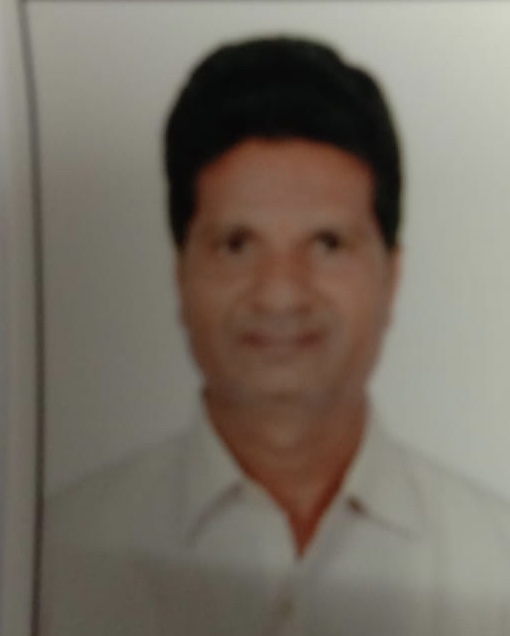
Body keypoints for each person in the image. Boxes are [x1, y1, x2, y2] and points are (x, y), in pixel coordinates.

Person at [40, 36, 510, 636]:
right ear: (181, 272)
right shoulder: (48, 559)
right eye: (237, 244)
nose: (281, 295)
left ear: (391, 276)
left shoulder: (496, 560)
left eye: (327, 243)